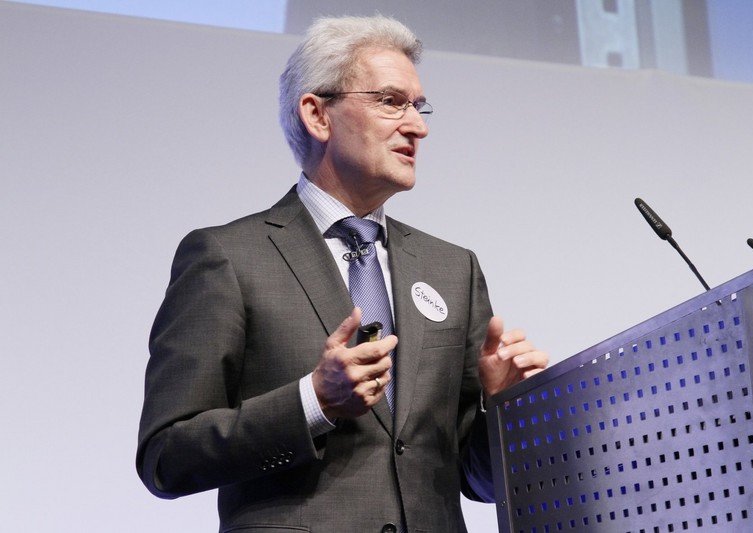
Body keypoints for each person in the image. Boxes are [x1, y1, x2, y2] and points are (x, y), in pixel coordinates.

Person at [136, 15, 548, 533]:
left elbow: (475, 478)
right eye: (391, 101)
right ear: (317, 115)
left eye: (418, 107)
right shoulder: (228, 258)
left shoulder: (452, 268)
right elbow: (166, 457)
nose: (417, 126)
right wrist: (314, 401)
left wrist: (505, 407)